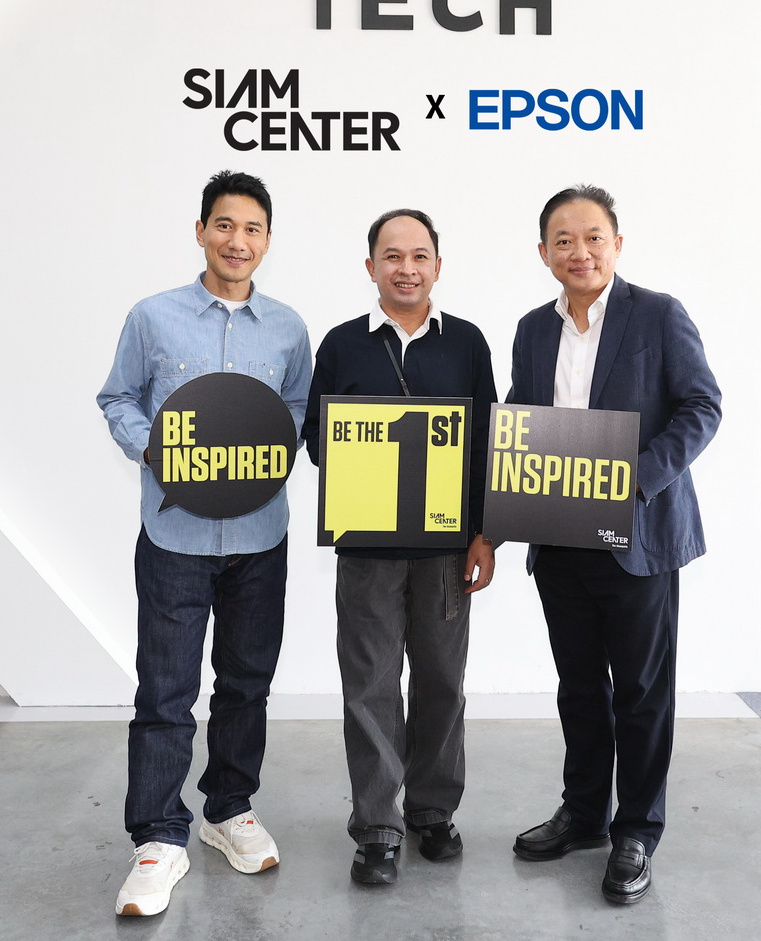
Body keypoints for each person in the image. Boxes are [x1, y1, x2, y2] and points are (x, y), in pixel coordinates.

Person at [96, 170, 312, 917]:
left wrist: (268, 455)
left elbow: (296, 410)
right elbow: (117, 398)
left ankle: (229, 808)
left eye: (252, 229)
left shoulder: (288, 329)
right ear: (200, 232)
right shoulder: (152, 318)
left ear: (267, 241)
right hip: (175, 534)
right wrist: (154, 450)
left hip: (260, 533)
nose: (237, 240)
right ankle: (158, 837)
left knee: (246, 682)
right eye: (224, 225)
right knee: (166, 690)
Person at [506, 185, 721, 905]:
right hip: (559, 538)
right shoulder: (533, 330)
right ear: (544, 253)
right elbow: (522, 417)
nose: (580, 251)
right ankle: (584, 814)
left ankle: (637, 830)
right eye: (564, 240)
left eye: (593, 237)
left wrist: (638, 479)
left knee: (641, 692)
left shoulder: (658, 314)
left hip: (638, 535)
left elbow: (702, 407)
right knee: (579, 688)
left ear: (617, 244)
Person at [300, 209, 497, 886]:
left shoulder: (466, 342)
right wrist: (376, 454)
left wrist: (484, 534)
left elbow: (486, 446)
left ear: (437, 265)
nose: (406, 268)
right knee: (370, 686)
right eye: (392, 256)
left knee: (442, 681)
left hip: (446, 548)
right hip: (368, 548)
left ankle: (432, 811)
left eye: (419, 256)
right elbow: (318, 439)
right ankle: (378, 827)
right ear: (370, 267)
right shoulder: (341, 343)